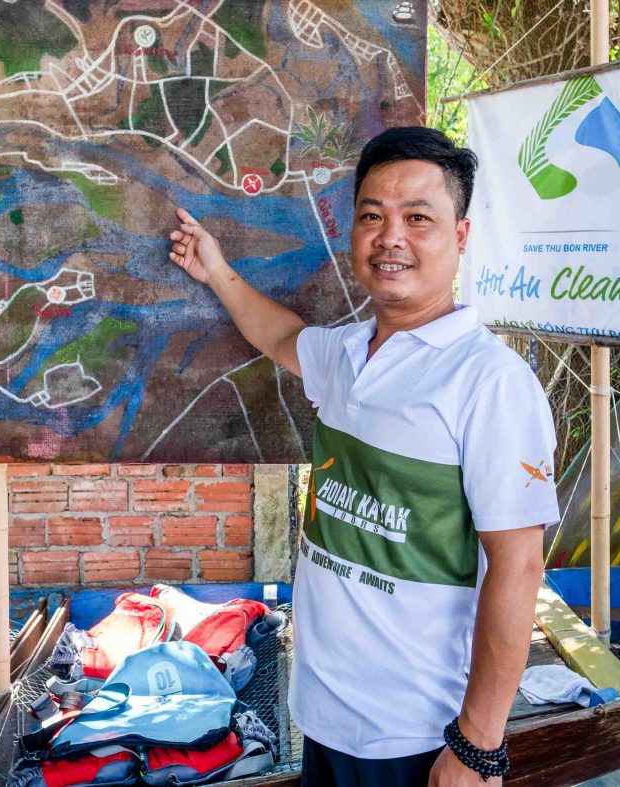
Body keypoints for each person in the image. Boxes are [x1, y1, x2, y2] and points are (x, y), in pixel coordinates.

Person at [167, 127, 560, 787]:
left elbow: (518, 567)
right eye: (373, 216)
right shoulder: (347, 356)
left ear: (460, 237)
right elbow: (285, 335)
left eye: (418, 219)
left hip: (415, 732)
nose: (391, 236)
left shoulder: (489, 381)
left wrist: (477, 745)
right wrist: (216, 271)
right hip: (323, 713)